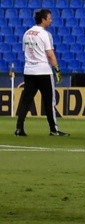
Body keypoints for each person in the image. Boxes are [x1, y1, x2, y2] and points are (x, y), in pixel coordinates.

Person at [15, 8, 69, 137]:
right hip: (43, 71)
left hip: (29, 71)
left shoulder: (27, 33)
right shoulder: (45, 34)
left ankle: (19, 128)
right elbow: (50, 55)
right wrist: (57, 70)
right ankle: (53, 129)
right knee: (49, 101)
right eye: (49, 18)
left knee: (26, 101)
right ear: (43, 19)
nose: (51, 20)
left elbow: (26, 52)